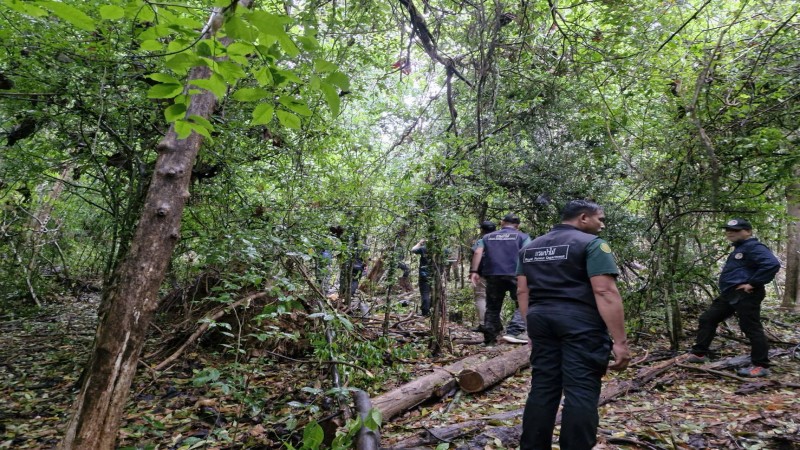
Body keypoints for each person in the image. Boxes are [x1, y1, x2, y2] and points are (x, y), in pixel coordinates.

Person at [517, 199, 630, 450]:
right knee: (581, 389)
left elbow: (522, 292)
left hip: (540, 319)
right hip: (580, 323)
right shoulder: (592, 245)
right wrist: (620, 342)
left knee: (543, 387)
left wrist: (531, 329)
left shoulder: (530, 247)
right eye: (599, 219)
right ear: (583, 218)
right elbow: (605, 292)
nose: (602, 225)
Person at [687, 218, 781, 377]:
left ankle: (761, 365)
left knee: (751, 328)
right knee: (708, 318)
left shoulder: (753, 246)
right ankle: (699, 354)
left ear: (748, 232)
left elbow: (772, 264)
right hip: (731, 294)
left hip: (746, 295)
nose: (730, 232)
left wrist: (752, 283)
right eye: (728, 230)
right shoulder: (741, 248)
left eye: (736, 230)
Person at [469, 213, 530, 346]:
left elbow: (478, 252)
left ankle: (490, 339)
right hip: (516, 274)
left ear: (502, 223)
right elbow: (527, 253)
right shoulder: (523, 237)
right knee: (523, 301)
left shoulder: (487, 237)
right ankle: (514, 331)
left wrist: (474, 271)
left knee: (492, 306)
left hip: (493, 275)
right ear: (517, 225)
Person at [470, 220, 496, 331]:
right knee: (495, 299)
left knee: (481, 297)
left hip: (483, 273)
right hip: (498, 273)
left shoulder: (482, 240)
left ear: (482, 230)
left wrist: (473, 271)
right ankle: (495, 324)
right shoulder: (500, 240)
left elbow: (476, 252)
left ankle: (484, 324)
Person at [411, 239, 432, 316]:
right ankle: (435, 310)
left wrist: (419, 243)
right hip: (436, 275)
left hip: (424, 274)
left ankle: (425, 312)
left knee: (425, 293)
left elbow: (413, 250)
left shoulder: (424, 248)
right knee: (434, 292)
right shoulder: (441, 250)